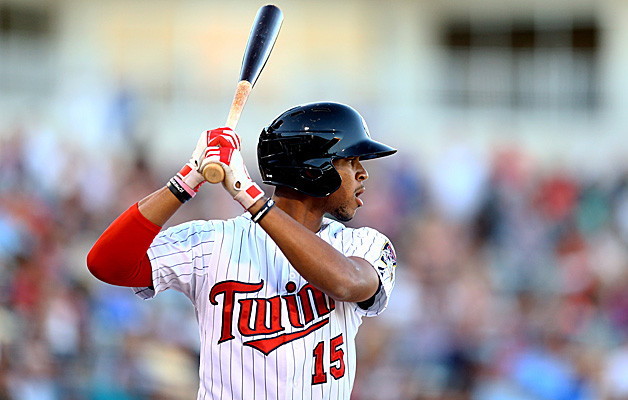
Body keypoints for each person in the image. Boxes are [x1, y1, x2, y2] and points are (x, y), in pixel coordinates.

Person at [87, 101, 398, 399]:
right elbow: (106, 264)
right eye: (350, 160)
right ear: (312, 170)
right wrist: (187, 178)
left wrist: (249, 196)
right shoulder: (213, 242)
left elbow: (348, 283)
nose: (362, 173)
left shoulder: (363, 244)